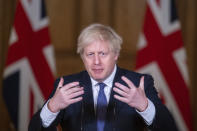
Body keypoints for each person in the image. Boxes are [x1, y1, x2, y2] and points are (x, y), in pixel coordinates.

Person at [28, 23, 178, 131]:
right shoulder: (66, 85)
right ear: (82, 57)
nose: (96, 61)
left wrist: (145, 106)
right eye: (90, 54)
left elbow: (169, 127)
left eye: (103, 54)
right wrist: (51, 108)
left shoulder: (139, 83)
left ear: (116, 55)